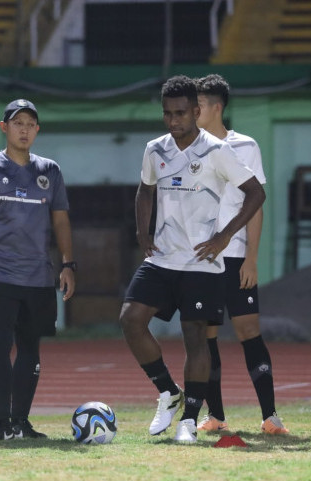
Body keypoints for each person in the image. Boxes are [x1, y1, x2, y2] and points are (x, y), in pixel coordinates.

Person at [119, 75, 266, 444]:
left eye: (181, 113)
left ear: (197, 111)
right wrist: (142, 231)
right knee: (131, 319)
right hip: (164, 257)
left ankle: (188, 420)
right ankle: (168, 391)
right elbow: (144, 189)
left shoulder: (217, 150)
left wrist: (225, 235)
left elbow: (255, 193)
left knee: (195, 337)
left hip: (202, 261)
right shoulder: (156, 149)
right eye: (168, 114)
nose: (174, 120)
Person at [0, 99, 76, 441]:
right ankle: (0, 425)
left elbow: (61, 221)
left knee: (31, 350)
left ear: (37, 130)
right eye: (17, 123)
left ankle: (21, 422)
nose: (24, 130)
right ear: (4, 128)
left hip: (39, 278)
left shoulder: (50, 171)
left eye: (30, 124)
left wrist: (68, 264)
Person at [193, 74, 288, 435]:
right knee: (207, 336)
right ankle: (215, 415)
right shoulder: (189, 147)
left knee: (249, 331)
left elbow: (256, 204)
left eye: (198, 104)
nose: (193, 110)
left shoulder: (244, 145)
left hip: (235, 257)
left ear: (217, 107)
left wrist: (251, 258)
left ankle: (270, 416)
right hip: (203, 260)